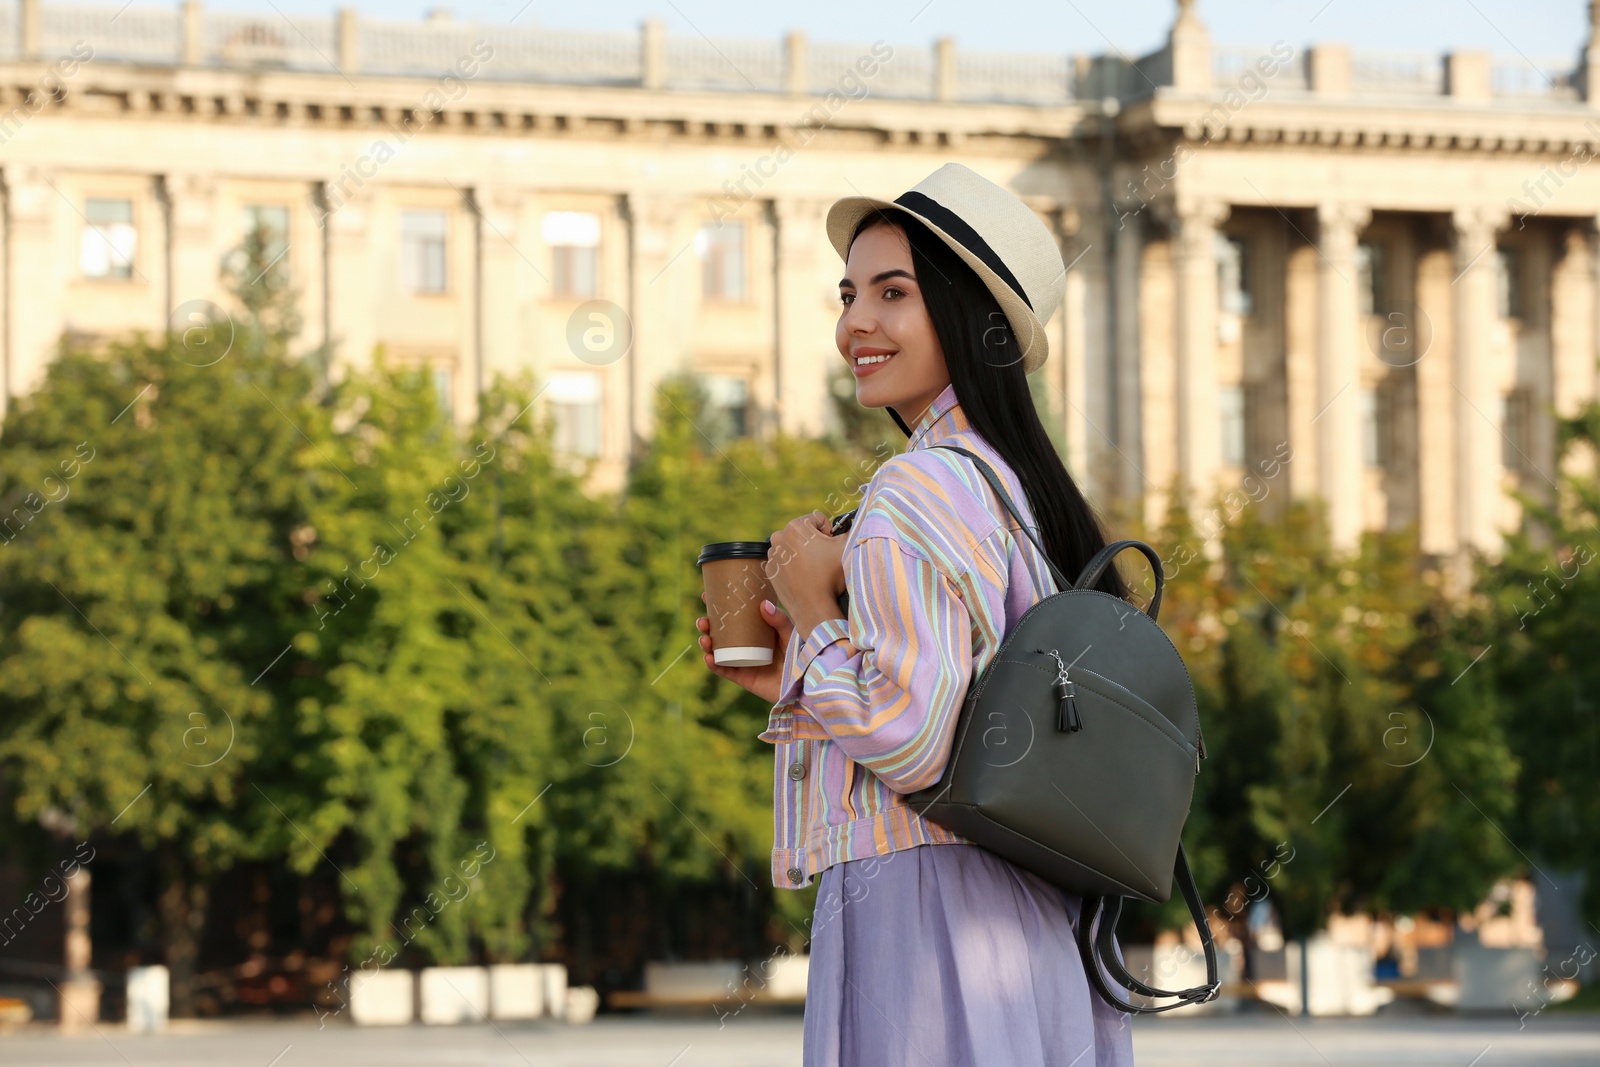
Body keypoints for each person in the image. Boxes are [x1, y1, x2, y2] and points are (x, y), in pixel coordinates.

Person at [695, 163, 1136, 1066]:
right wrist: (804, 678)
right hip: (1029, 922)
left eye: (893, 292)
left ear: (970, 318)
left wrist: (814, 610)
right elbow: (955, 714)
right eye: (850, 291)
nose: (855, 320)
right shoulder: (1014, 491)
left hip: (928, 916)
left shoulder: (913, 486)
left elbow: (914, 743)